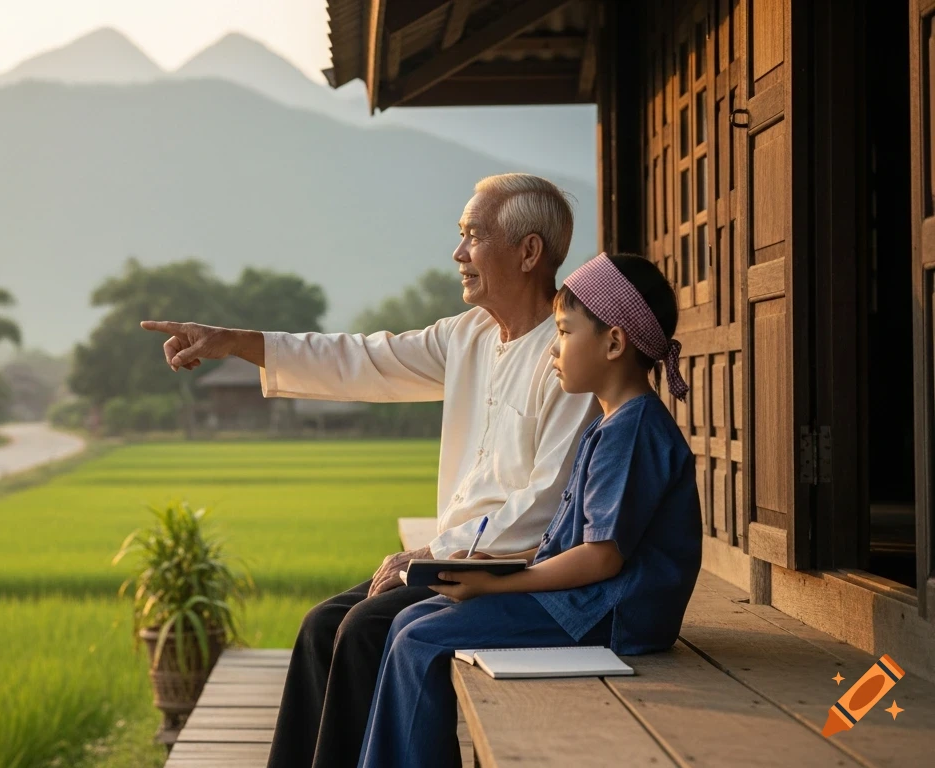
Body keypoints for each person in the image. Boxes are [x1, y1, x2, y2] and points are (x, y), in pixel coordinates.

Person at [140, 173, 601, 768]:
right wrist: (235, 341)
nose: (458, 254)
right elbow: (362, 357)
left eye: (472, 236)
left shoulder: (568, 356)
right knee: (319, 626)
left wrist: (431, 555)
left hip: (506, 573)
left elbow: (545, 503)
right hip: (448, 562)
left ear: (529, 251)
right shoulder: (469, 336)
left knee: (361, 631)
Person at [356, 253, 703, 767]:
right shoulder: (616, 422)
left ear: (613, 343)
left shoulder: (631, 430)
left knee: (419, 640)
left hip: (611, 614)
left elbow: (601, 559)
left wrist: (497, 584)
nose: (553, 351)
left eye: (563, 333)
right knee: (413, 620)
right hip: (582, 602)